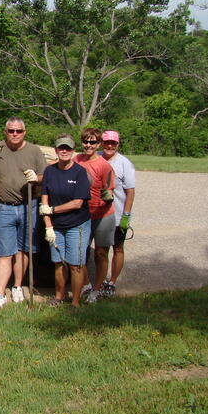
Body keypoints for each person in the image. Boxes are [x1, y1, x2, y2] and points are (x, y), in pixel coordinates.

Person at [0, 117, 47, 313]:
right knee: (4, 253)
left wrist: (37, 178)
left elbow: (45, 175)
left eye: (18, 131)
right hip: (4, 208)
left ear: (25, 132)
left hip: (28, 206)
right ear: (5, 131)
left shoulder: (34, 150)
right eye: (11, 131)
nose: (15, 134)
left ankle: (17, 287)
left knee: (23, 251)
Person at [40, 134, 92, 307]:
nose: (64, 151)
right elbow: (44, 200)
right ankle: (59, 296)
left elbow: (78, 203)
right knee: (58, 263)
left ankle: (75, 301)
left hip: (77, 225)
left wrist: (53, 210)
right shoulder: (49, 171)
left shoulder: (79, 172)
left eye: (68, 148)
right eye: (61, 148)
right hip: (56, 226)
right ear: (55, 150)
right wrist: (48, 226)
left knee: (76, 265)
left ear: (72, 151)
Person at [74, 128, 116, 304]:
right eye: (86, 141)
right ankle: (85, 284)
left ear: (98, 144)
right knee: (79, 254)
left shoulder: (104, 165)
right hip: (82, 214)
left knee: (100, 253)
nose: (88, 145)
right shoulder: (76, 159)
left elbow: (109, 189)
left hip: (103, 215)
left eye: (92, 142)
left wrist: (107, 196)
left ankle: (96, 290)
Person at [100, 130, 136, 298]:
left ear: (117, 145)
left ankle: (112, 282)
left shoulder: (124, 163)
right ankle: (98, 281)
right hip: (98, 213)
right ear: (101, 143)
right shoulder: (96, 157)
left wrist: (126, 216)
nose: (109, 145)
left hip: (118, 214)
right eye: (106, 142)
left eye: (113, 143)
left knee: (118, 248)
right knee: (100, 250)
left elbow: (130, 192)